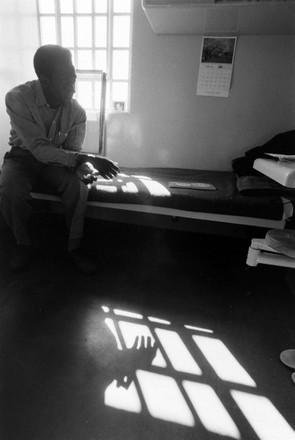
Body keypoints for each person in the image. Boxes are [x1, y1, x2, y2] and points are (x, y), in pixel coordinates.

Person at [0, 44, 119, 273]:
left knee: (79, 185)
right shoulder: (17, 98)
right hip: (22, 157)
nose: (72, 86)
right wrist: (87, 157)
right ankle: (22, 245)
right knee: (9, 189)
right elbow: (37, 148)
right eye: (65, 80)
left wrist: (84, 167)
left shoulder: (77, 111)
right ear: (44, 80)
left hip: (56, 160)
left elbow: (71, 151)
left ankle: (73, 248)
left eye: (73, 78)